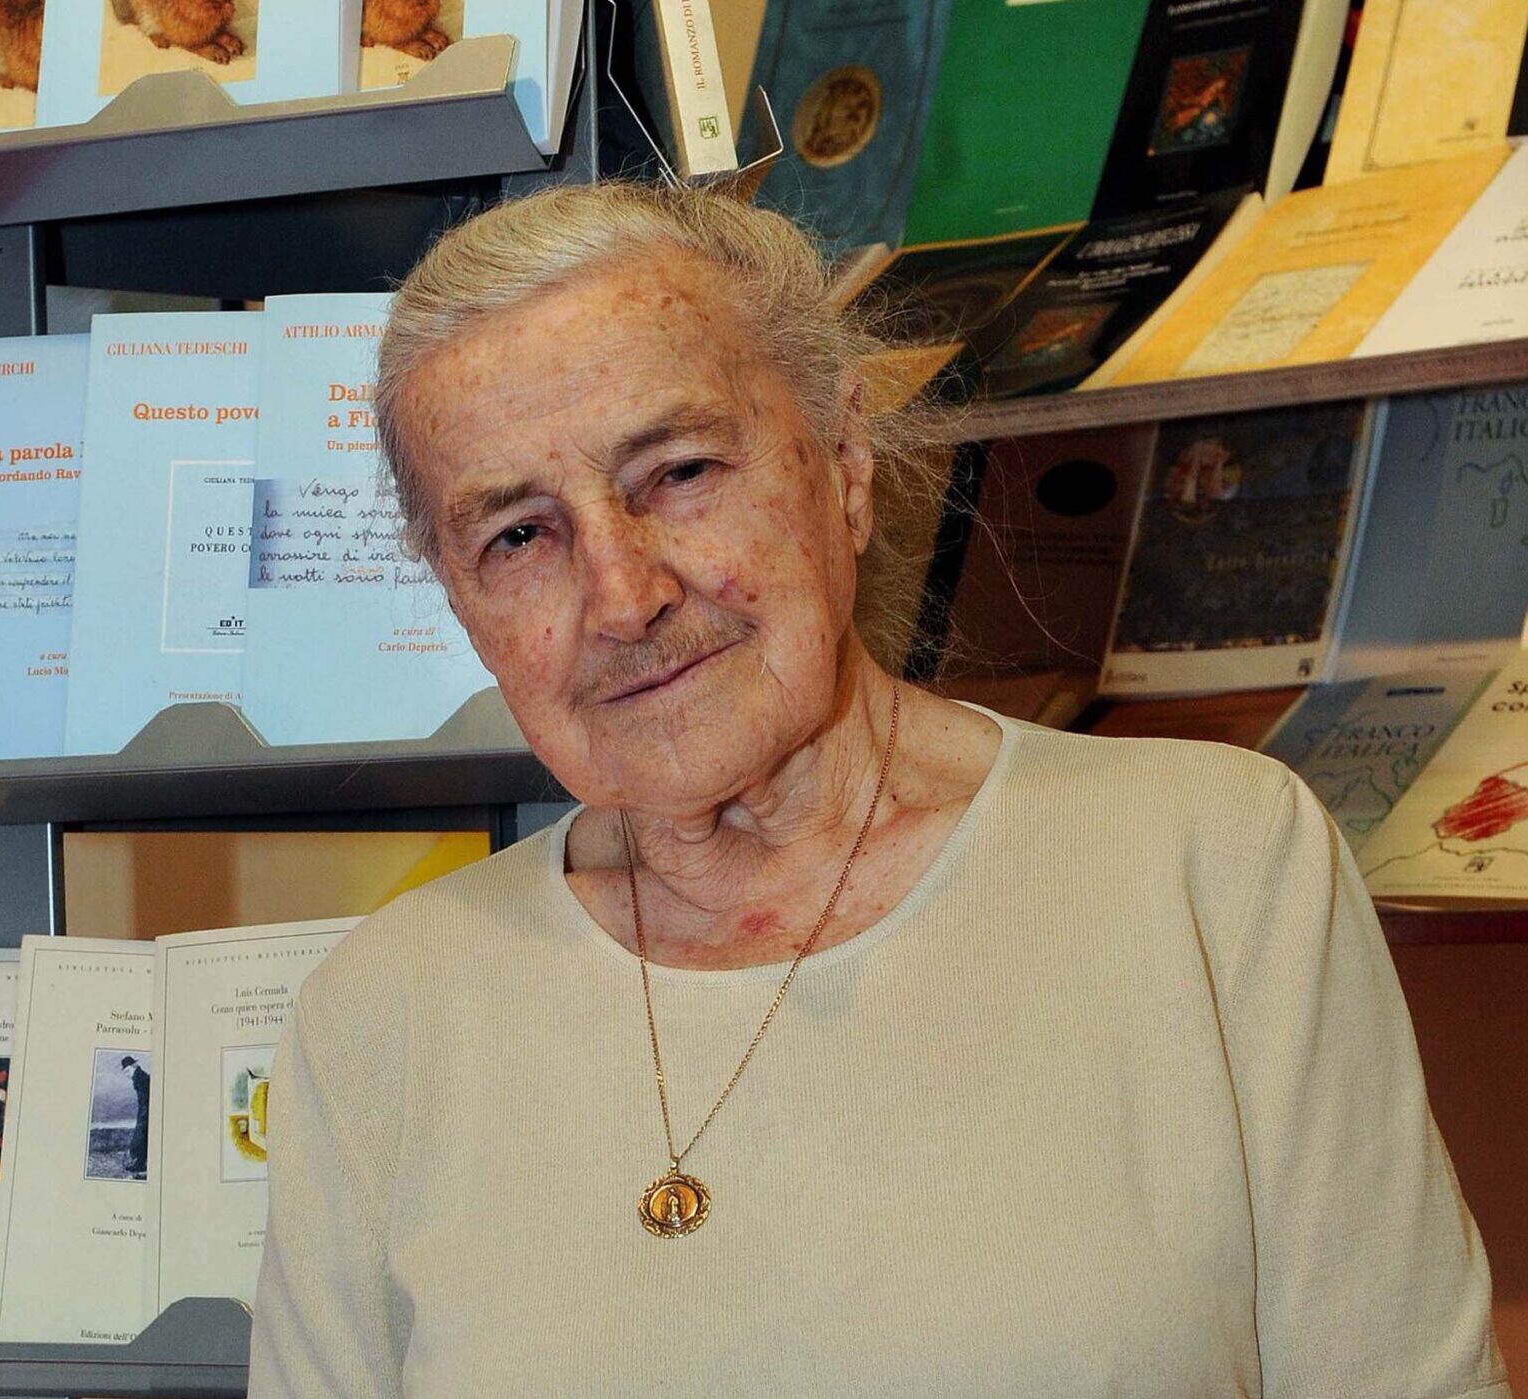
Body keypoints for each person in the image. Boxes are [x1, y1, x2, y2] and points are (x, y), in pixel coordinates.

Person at [248, 182, 1512, 1397]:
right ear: (463, 605)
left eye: (680, 473)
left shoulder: (1215, 865)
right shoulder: (384, 1013)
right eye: (518, 535)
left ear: (843, 467)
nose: (623, 595)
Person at [119, 1054, 150, 1175]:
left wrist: (143, 1115)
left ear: (134, 1066)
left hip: (146, 1112)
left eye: (127, 1071)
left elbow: (145, 1100)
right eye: (125, 1072)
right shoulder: (139, 1077)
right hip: (145, 1110)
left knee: (141, 1135)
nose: (127, 1074)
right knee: (143, 1136)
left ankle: (140, 1164)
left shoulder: (140, 1078)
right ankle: (140, 1162)